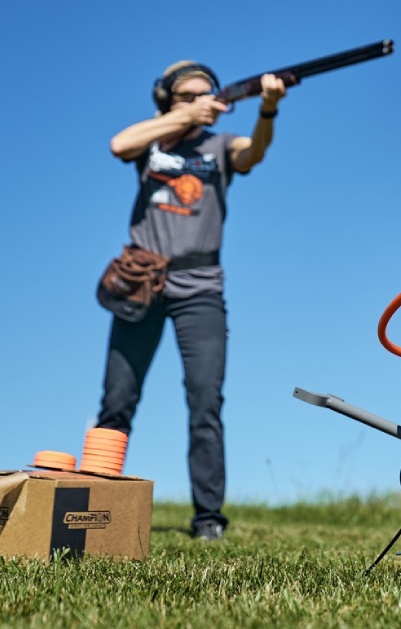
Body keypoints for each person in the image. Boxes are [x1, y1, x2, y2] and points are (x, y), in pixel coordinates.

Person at [97, 61, 286, 541]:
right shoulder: (154, 140)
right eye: (190, 95)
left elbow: (253, 154)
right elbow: (120, 144)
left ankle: (208, 519)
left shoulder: (220, 146)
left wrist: (267, 109)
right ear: (168, 101)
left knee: (205, 400)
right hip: (143, 281)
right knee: (117, 399)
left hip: (202, 287)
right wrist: (186, 115)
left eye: (209, 94)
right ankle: (97, 502)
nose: (203, 101)